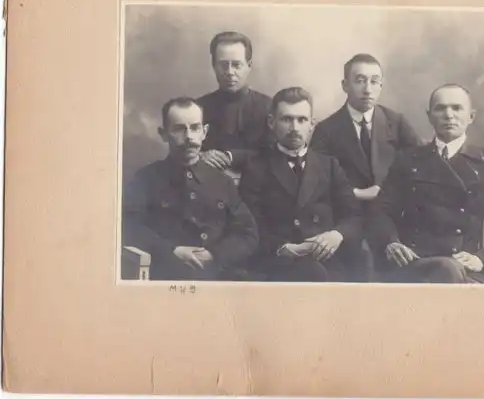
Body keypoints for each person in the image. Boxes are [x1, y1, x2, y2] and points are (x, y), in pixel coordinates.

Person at [369, 84, 484, 284]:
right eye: (440, 108)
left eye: (457, 108)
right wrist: (391, 242)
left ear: (471, 116)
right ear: (429, 116)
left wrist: (483, 258)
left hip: (464, 267)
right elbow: (381, 212)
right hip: (414, 263)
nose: (448, 115)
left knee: (449, 271)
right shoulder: (408, 160)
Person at [122, 97, 259, 281]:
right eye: (179, 129)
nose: (189, 137)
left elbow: (247, 233)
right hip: (166, 276)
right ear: (163, 134)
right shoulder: (147, 178)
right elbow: (128, 225)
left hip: (216, 277)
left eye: (195, 128)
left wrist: (214, 254)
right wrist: (171, 251)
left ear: (204, 132)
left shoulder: (223, 183)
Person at [309, 54, 421, 279]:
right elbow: (315, 182)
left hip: (393, 218)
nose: (368, 89)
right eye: (360, 81)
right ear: (345, 85)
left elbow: (419, 165)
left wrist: (391, 192)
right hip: (347, 218)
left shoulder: (396, 123)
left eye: (374, 81)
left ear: (381, 85)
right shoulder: (326, 130)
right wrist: (357, 193)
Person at [239, 87, 364, 282]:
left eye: (302, 120)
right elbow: (250, 224)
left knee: (362, 265)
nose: (295, 128)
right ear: (272, 122)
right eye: (286, 119)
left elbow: (353, 216)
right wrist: (283, 247)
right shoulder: (257, 167)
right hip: (279, 260)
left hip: (327, 256)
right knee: (311, 273)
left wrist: (337, 234)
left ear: (312, 124)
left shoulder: (329, 165)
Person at [197, 31, 273, 174]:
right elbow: (182, 150)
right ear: (214, 66)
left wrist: (231, 157)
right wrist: (199, 156)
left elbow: (275, 154)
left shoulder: (269, 107)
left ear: (249, 66)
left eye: (236, 65)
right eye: (223, 65)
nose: (230, 72)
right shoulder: (198, 108)